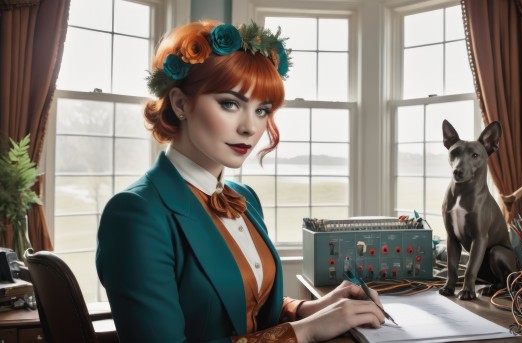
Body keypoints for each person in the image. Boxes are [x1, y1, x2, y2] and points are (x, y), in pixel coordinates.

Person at [96, 19, 386, 343]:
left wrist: (311, 308)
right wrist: (305, 331)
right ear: (179, 104)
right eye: (230, 103)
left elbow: (245, 306)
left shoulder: (243, 197)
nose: (250, 127)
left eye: (262, 110)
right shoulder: (135, 214)